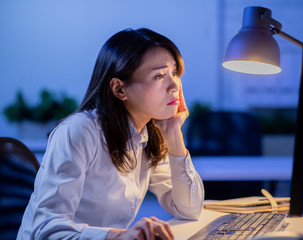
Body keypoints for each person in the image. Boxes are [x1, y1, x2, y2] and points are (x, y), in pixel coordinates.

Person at [17, 28, 204, 240]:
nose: (174, 86)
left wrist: (173, 134)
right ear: (119, 89)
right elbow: (46, 230)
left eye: (175, 73)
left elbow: (188, 209)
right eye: (159, 75)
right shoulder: (79, 131)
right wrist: (119, 237)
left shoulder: (148, 133)